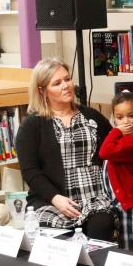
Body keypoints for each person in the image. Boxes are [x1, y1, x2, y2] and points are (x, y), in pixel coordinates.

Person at [15, 58, 115, 239]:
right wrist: (55, 198)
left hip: (95, 198)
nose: (66, 86)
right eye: (57, 83)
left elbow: (115, 148)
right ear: (42, 91)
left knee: (101, 229)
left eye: (67, 79)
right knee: (57, 249)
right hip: (52, 200)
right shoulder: (31, 125)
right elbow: (30, 171)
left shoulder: (92, 117)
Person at [98, 91, 133, 251]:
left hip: (131, 202)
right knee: (121, 242)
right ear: (113, 117)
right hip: (121, 200)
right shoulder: (119, 136)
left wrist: (117, 130)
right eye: (120, 117)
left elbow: (105, 152)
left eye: (131, 116)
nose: (125, 122)